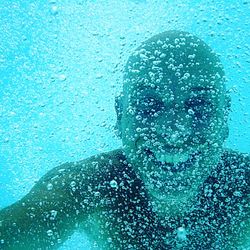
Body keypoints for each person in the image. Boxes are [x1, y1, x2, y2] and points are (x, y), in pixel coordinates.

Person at [0, 30, 249, 250]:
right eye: (149, 105)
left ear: (224, 117)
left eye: (199, 105)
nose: (174, 134)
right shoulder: (86, 186)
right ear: (120, 116)